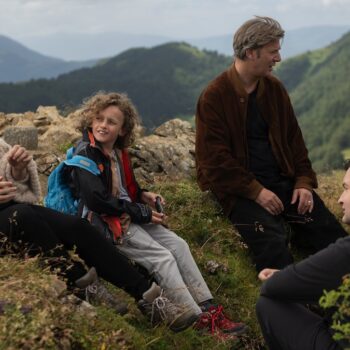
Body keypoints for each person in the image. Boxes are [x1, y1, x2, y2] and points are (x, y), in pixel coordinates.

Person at [67, 91, 247, 339]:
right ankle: (198, 321)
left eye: (111, 121)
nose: (103, 125)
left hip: (126, 215)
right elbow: (96, 200)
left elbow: (124, 189)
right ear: (90, 120)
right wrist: (141, 212)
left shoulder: (117, 152)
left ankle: (210, 308)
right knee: (162, 258)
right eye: (99, 119)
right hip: (106, 224)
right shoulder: (85, 154)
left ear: (122, 129)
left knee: (179, 245)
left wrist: (143, 196)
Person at [195, 16, 346, 273]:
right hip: (239, 191)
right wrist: (256, 191)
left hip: (282, 181)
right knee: (272, 246)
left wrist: (303, 183)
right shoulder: (215, 96)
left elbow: (294, 141)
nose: (278, 58)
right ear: (251, 52)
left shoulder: (274, 89)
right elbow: (214, 162)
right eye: (273, 52)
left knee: (331, 235)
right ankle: (295, 307)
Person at [0, 137, 190, 331]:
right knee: (24, 216)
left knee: (78, 226)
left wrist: (17, 170)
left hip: (11, 211)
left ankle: (148, 296)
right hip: (13, 218)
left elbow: (14, 185)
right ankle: (81, 285)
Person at [255, 163, 350, 350]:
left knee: (268, 305)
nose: (340, 199)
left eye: (346, 189)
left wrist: (281, 277)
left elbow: (273, 287)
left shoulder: (346, 251)